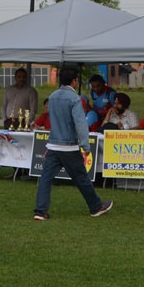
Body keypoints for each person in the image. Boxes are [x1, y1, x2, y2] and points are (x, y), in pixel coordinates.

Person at [33, 67, 113, 220]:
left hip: (53, 145)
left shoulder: (52, 96)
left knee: (45, 179)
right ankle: (96, 207)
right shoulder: (74, 98)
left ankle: (40, 211)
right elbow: (80, 124)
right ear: (74, 81)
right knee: (81, 178)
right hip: (69, 146)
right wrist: (85, 145)